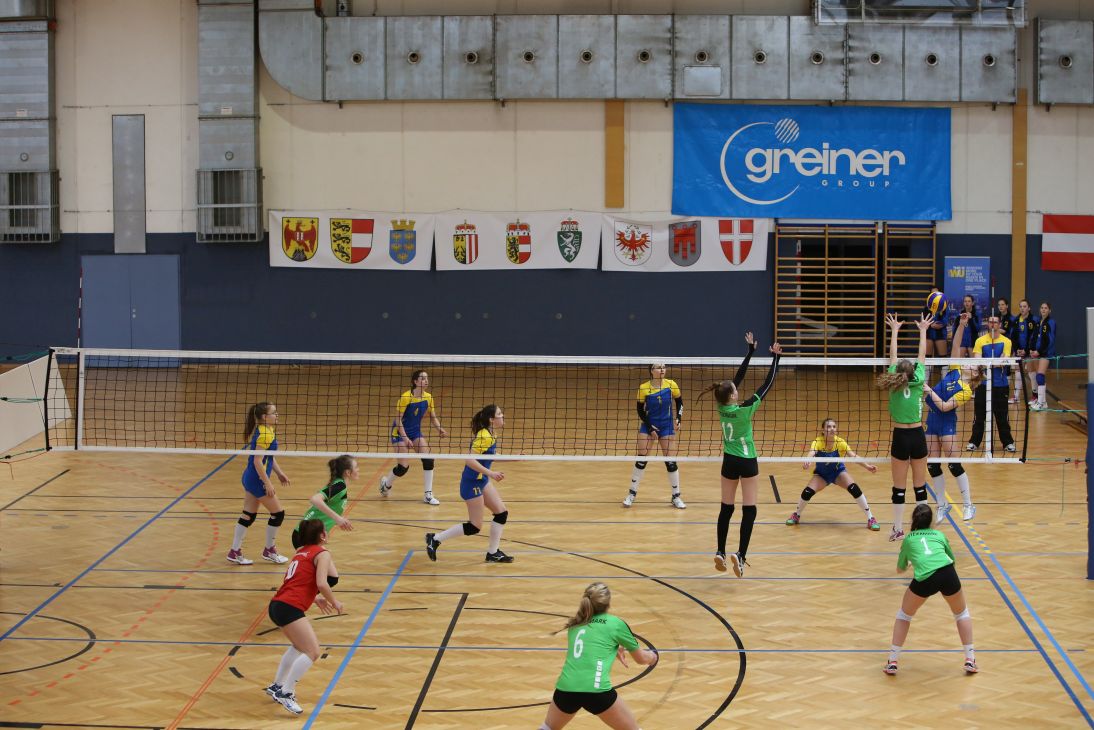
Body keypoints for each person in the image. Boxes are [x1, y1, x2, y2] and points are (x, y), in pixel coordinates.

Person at [696, 337, 781, 578]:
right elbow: (767, 384)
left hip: (729, 462)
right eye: (734, 390)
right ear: (732, 397)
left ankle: (720, 551)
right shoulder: (745, 409)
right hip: (747, 460)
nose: (737, 388)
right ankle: (741, 555)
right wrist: (776, 358)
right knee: (750, 509)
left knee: (726, 508)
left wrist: (750, 352)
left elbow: (736, 379)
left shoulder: (721, 407)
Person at [539, 582, 659, 730]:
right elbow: (641, 659)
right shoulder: (615, 624)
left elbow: (591, 647)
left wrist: (614, 648)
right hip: (596, 690)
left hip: (566, 688)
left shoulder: (576, 623)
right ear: (608, 603)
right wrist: (653, 657)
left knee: (548, 727)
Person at [884, 504, 977, 676]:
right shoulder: (940, 535)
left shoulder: (908, 539)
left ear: (913, 520)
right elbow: (951, 559)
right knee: (961, 613)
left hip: (925, 578)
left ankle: (893, 662)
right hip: (948, 573)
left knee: (904, 615)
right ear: (931, 521)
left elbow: (899, 569)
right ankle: (970, 659)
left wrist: (910, 564)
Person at [265, 518, 344, 715]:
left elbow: (297, 581)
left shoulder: (300, 552)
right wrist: (334, 601)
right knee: (313, 652)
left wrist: (315, 598)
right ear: (323, 535)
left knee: (299, 646)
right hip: (289, 607)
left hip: (277, 605)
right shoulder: (322, 553)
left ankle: (277, 685)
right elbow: (322, 583)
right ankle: (286, 692)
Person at [425, 404, 513, 563]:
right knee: (474, 527)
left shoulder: (491, 433)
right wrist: (491, 473)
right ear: (491, 419)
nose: (502, 416)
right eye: (500, 414)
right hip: (472, 483)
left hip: (481, 480)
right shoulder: (484, 436)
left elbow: (491, 455)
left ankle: (493, 553)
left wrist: (514, 458)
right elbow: (469, 460)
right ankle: (435, 539)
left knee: (501, 513)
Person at [877, 314, 933, 542]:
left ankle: (898, 529)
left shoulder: (893, 381)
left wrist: (894, 330)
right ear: (912, 371)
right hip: (918, 435)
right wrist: (923, 330)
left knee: (899, 488)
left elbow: (893, 355)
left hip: (900, 436)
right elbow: (922, 354)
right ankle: (923, 530)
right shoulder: (919, 379)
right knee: (920, 487)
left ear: (898, 371)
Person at [923, 313, 984, 523]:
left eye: (973, 364)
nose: (968, 363)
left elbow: (944, 406)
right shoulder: (955, 369)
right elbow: (956, 345)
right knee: (932, 465)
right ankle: (942, 505)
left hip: (946, 423)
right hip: (931, 421)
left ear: (975, 374)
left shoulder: (966, 390)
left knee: (953, 465)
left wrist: (928, 390)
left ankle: (968, 505)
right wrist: (962, 324)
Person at [785, 418, 880, 531]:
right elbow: (812, 452)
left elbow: (853, 456)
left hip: (838, 473)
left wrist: (867, 466)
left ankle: (871, 518)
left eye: (834, 427)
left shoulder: (840, 442)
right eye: (829, 427)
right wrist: (808, 460)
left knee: (854, 488)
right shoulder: (818, 441)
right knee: (807, 492)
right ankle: (796, 514)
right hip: (822, 475)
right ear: (823, 430)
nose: (832, 429)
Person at [228, 402, 291, 565]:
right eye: (274, 412)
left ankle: (234, 551)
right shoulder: (265, 434)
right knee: (278, 514)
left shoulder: (266, 430)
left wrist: (279, 473)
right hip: (257, 479)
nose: (277, 415)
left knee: (248, 515)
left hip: (250, 477)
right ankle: (269, 550)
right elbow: (258, 461)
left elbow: (268, 456)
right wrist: (267, 483)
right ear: (264, 417)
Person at [379, 370, 448, 505]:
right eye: (422, 379)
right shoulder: (406, 397)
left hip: (415, 432)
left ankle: (428, 494)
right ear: (415, 382)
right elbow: (398, 420)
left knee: (428, 460)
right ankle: (386, 484)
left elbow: (433, 417)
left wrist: (439, 429)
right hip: (399, 433)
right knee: (403, 468)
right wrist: (405, 438)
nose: (426, 381)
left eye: (427, 378)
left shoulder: (428, 397)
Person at [623, 363, 687, 509]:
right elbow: (640, 410)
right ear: (652, 371)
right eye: (658, 367)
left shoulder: (671, 385)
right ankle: (632, 494)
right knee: (641, 459)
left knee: (671, 462)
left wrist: (678, 418)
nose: (662, 369)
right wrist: (650, 427)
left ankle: (676, 496)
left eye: (664, 367)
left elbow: (680, 402)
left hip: (666, 426)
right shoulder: (644, 387)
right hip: (648, 425)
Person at [966, 314, 1015, 453]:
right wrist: (992, 362)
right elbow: (978, 361)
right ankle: (974, 442)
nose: (993, 324)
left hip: (1001, 385)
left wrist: (989, 362)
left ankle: (1008, 443)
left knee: (1002, 417)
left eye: (995, 322)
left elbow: (1004, 361)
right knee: (979, 416)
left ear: (999, 324)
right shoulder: (980, 341)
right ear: (988, 324)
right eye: (990, 322)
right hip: (983, 384)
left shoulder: (1006, 341)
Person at [291, 455, 357, 549]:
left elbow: (321, 508)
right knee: (324, 556)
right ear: (348, 472)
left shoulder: (339, 484)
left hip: (309, 535)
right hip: (305, 537)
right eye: (356, 467)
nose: (358, 470)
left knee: (324, 557)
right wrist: (338, 519)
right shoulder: (339, 486)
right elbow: (315, 499)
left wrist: (338, 520)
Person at [1029, 302, 1056, 411]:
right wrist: (1031, 349)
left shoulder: (1050, 322)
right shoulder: (1038, 322)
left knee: (1040, 376)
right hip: (1036, 352)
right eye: (1042, 308)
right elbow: (1034, 337)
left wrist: (1039, 351)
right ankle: (1043, 402)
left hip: (1046, 352)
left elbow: (1049, 340)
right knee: (1037, 376)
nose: (1043, 310)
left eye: (1046, 308)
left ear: (1050, 310)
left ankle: (1040, 403)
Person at [1012, 299, 1039, 404]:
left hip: (1030, 351)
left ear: (1029, 308)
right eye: (1021, 306)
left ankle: (1035, 396)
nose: (1022, 308)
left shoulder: (1034, 320)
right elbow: (1013, 337)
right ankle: (1016, 396)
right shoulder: (1016, 320)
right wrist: (1017, 350)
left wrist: (1027, 350)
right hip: (1019, 351)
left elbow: (1034, 337)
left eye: (1024, 306)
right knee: (1018, 373)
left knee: (1032, 373)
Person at [923, 286, 950, 360]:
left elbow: (945, 320)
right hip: (929, 333)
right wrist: (931, 325)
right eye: (933, 293)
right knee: (927, 359)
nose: (935, 295)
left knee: (943, 359)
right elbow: (923, 321)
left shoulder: (944, 306)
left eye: (936, 293)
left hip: (940, 334)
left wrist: (939, 324)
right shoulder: (926, 307)